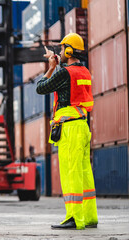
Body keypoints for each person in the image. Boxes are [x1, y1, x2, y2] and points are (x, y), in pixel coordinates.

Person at [36, 33, 98, 230]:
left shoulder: (64, 73)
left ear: (69, 50)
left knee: (70, 173)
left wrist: (52, 68)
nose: (60, 52)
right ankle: (89, 217)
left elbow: (40, 88)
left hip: (70, 129)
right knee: (84, 173)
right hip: (83, 126)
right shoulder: (85, 71)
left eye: (63, 49)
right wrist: (58, 65)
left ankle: (74, 217)